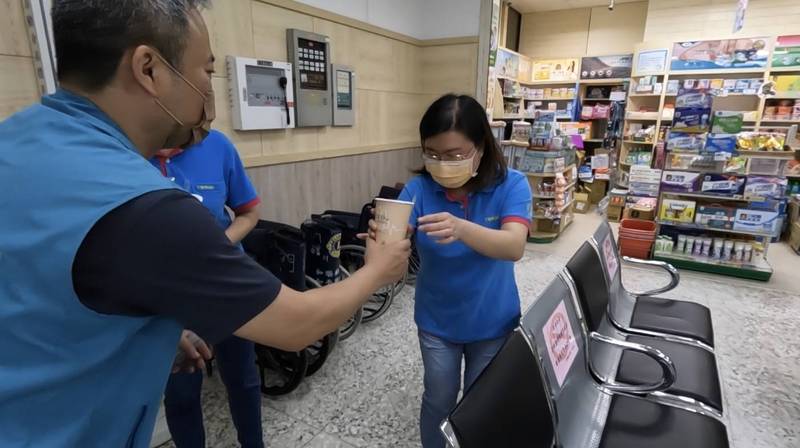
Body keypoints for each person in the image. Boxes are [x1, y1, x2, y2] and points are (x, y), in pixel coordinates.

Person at [0, 2, 409, 447]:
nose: (206, 92)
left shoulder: (17, 142)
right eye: (206, 72)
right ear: (149, 69)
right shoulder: (145, 207)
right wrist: (377, 270)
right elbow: (297, 326)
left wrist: (137, 335)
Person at [397, 94, 532, 447]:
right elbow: (392, 237)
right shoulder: (418, 190)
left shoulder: (512, 185)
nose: (442, 165)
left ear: (481, 148)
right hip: (437, 322)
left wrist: (461, 228)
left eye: (454, 155)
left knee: (479, 403)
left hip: (493, 321)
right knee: (439, 399)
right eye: (432, 154)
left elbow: (513, 245)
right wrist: (381, 242)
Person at [150, 131, 264, 448]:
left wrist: (215, 247)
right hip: (169, 298)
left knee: (243, 379)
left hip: (227, 286)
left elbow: (249, 212)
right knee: (181, 392)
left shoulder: (216, 145)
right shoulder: (128, 148)